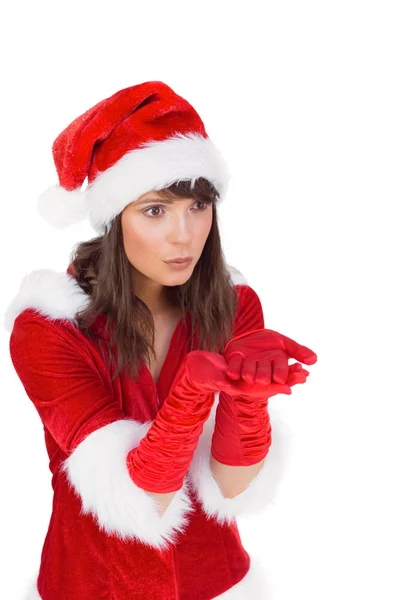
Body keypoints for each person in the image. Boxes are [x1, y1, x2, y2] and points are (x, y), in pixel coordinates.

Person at [4, 81, 317, 600]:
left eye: (198, 206)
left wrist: (247, 401)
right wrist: (191, 394)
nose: (183, 234)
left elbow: (234, 487)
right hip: (93, 584)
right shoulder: (47, 327)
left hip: (213, 582)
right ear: (113, 221)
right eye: (155, 210)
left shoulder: (235, 306)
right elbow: (137, 499)